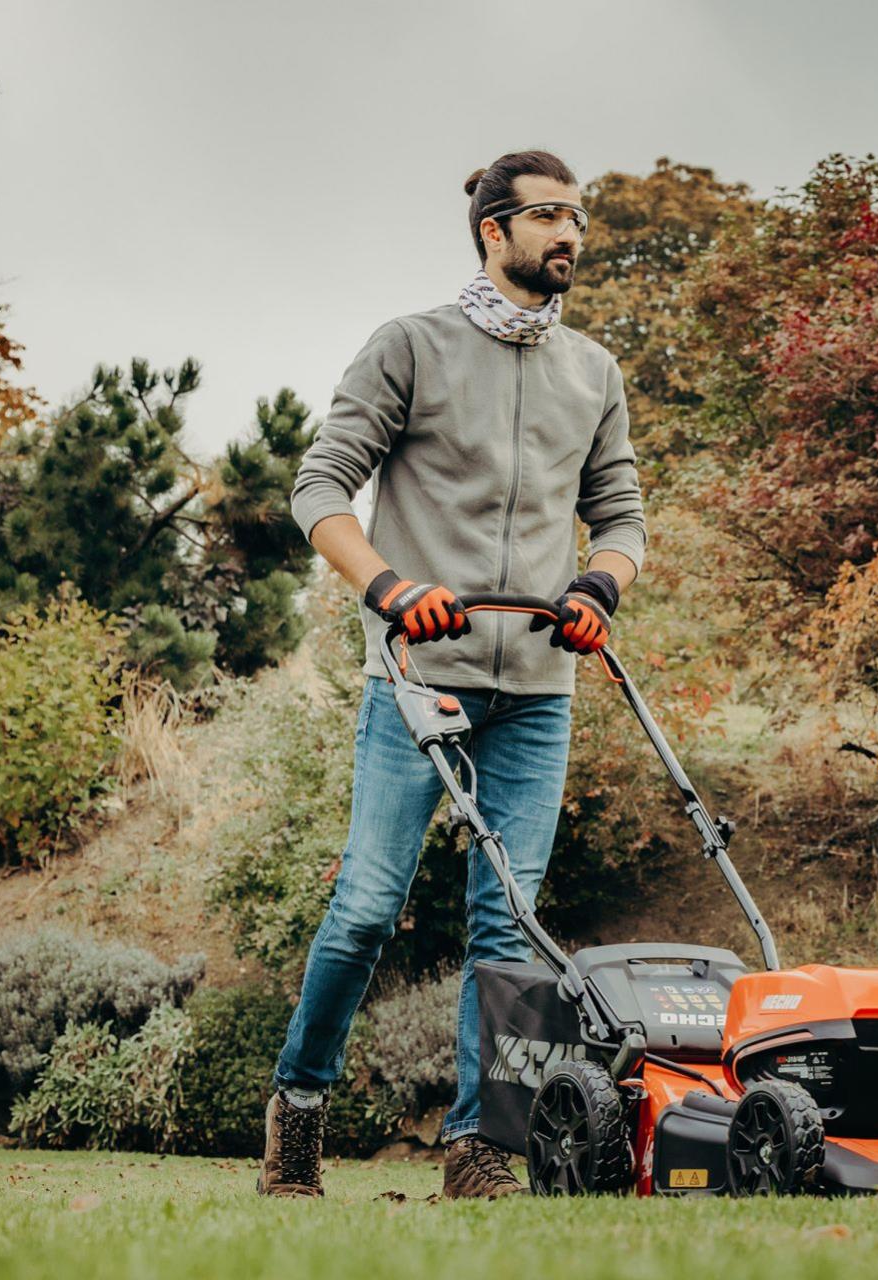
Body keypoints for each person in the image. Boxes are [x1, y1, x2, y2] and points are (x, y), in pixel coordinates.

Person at [257, 149, 645, 1200]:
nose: (571, 234)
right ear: (493, 230)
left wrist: (598, 587)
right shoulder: (412, 346)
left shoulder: (592, 372)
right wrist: (388, 587)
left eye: (578, 217)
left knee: (508, 923)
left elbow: (620, 518)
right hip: (419, 675)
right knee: (367, 905)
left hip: (537, 690)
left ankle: (477, 1146)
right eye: (549, 216)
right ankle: (299, 1108)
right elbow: (320, 489)